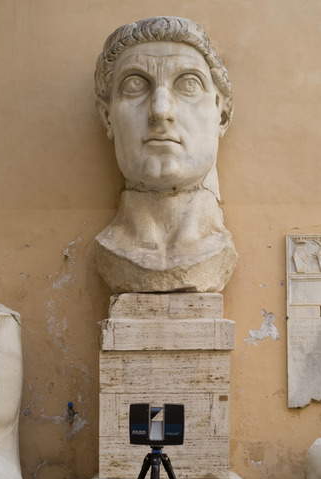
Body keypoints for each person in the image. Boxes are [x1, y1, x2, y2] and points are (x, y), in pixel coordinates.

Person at [93, 17, 238, 293]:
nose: (160, 110)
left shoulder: (215, 249)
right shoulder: (111, 247)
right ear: (107, 117)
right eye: (135, 85)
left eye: (189, 84)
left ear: (222, 114)